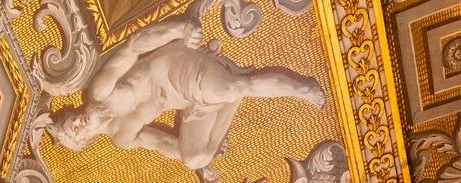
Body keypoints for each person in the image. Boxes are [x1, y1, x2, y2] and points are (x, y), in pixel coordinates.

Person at [44, 17, 328, 171]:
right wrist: (206, 150)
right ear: (85, 141)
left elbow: (133, 47)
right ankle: (228, 91)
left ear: (75, 111)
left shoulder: (101, 91)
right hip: (188, 102)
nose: (80, 125)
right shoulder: (122, 137)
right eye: (78, 132)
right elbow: (161, 144)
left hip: (177, 68)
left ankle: (303, 88)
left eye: (74, 121)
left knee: (235, 87)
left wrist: (178, 30)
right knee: (195, 159)